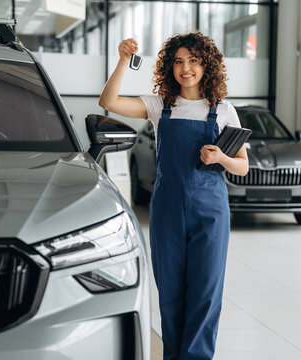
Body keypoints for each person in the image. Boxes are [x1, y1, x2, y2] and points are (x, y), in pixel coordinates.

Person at [99, 32, 249, 360]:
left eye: (194, 61)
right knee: (170, 291)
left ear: (207, 65)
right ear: (170, 66)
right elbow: (108, 102)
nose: (186, 68)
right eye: (179, 61)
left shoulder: (223, 111)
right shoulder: (159, 105)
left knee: (205, 291)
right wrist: (123, 61)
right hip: (167, 207)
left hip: (210, 209)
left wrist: (221, 158)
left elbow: (242, 167)